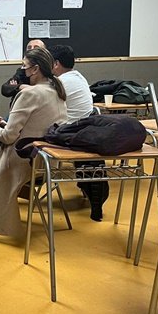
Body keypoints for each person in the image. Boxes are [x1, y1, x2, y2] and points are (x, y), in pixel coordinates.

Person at [0, 47, 67, 238]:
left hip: (25, 160)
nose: (23, 71)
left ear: (35, 69)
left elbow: (8, 137)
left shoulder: (30, 94)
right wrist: (5, 126)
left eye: (24, 67)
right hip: (47, 160)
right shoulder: (57, 91)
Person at [48, 44, 108, 221]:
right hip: (84, 131)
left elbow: (44, 103)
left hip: (69, 133)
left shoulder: (61, 82)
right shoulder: (78, 77)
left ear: (56, 64)